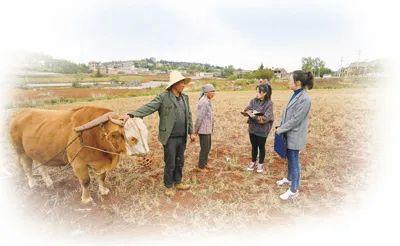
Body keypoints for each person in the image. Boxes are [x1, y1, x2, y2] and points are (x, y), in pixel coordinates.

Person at [125, 71, 195, 197]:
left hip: (182, 136)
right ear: (174, 84)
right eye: (181, 83)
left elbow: (188, 115)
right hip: (169, 138)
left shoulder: (185, 98)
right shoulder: (163, 97)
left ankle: (178, 182)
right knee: (170, 162)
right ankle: (168, 185)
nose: (184, 85)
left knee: (180, 161)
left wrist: (191, 131)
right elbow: (149, 107)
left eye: (184, 83)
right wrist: (132, 114)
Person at [275, 70, 313, 200]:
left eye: (290, 80)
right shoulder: (296, 94)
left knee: (294, 162)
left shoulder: (305, 98)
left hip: (295, 135)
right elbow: (288, 114)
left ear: (298, 83)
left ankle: (294, 190)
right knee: (290, 159)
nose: (288, 82)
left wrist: (280, 129)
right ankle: (289, 179)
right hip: (288, 133)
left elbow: (296, 120)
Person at [242, 83, 274, 173]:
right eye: (256, 91)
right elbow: (247, 110)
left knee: (261, 146)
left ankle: (260, 163)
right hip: (252, 128)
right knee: (254, 146)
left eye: (259, 92)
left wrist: (253, 114)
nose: (257, 94)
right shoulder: (253, 101)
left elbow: (265, 118)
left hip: (263, 130)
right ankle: (253, 161)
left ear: (264, 93)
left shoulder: (269, 104)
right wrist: (252, 113)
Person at [194, 84, 215, 172]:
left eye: (214, 91)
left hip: (208, 129)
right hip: (203, 130)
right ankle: (201, 167)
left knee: (208, 147)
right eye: (212, 91)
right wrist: (195, 131)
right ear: (206, 93)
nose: (214, 93)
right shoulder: (204, 102)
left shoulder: (207, 100)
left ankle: (205, 163)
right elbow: (199, 117)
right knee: (205, 148)